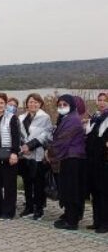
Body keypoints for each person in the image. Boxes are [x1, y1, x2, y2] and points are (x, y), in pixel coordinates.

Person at [48, 95, 86, 230]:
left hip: (72, 159)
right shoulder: (66, 118)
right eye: (60, 104)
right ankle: (68, 215)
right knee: (67, 189)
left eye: (65, 104)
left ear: (71, 105)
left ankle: (72, 221)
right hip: (67, 158)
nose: (62, 107)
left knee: (71, 190)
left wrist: (50, 153)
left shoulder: (73, 120)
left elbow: (63, 140)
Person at [18, 93, 53, 220]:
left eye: (36, 102)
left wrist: (30, 145)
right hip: (24, 155)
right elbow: (19, 134)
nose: (33, 104)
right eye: (30, 102)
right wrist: (23, 146)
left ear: (40, 104)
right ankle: (28, 207)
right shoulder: (21, 117)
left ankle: (39, 209)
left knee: (38, 183)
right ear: (27, 103)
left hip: (38, 155)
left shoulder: (45, 117)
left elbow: (47, 135)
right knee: (27, 182)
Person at [85, 92, 108, 233]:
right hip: (93, 161)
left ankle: (105, 223)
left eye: (104, 100)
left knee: (104, 193)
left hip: (104, 161)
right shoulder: (95, 117)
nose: (101, 102)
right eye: (99, 100)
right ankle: (97, 220)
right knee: (95, 192)